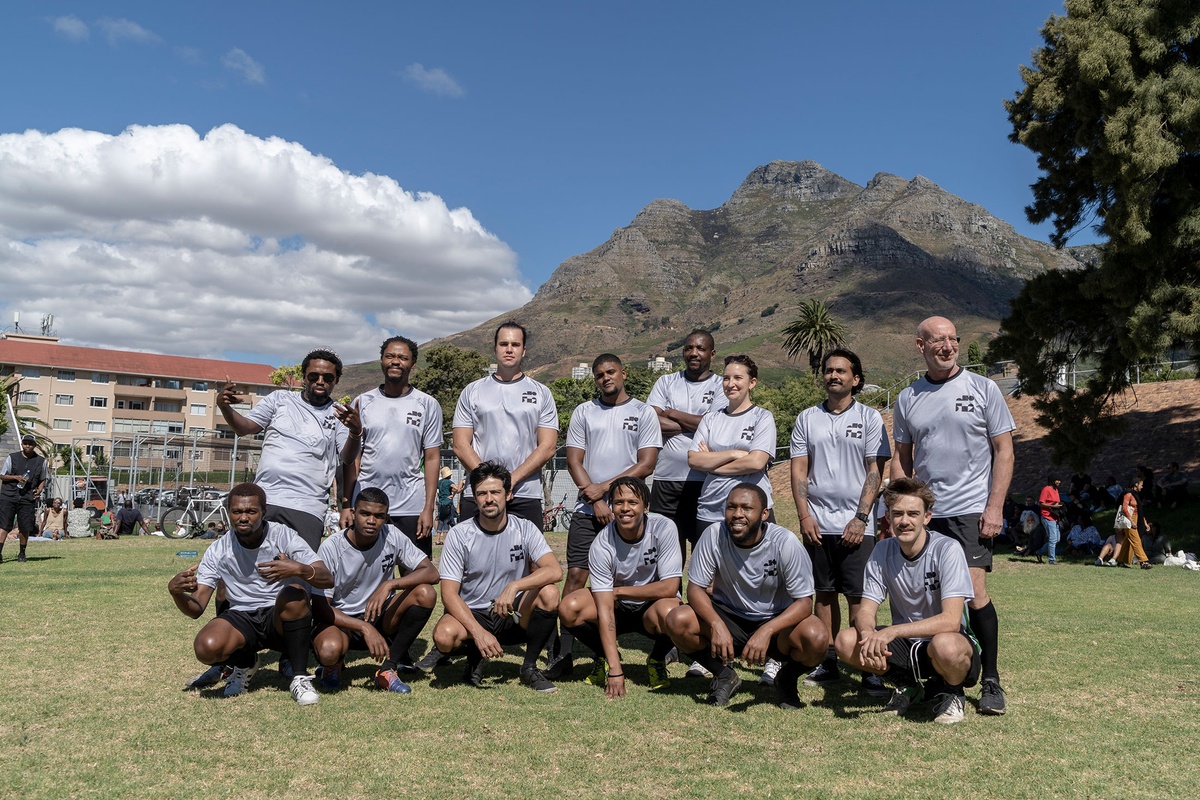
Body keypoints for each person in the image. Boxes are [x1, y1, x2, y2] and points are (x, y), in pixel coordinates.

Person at [891, 316, 1014, 716]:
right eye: (937, 340)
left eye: (952, 339)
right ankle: (935, 678)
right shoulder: (908, 397)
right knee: (928, 596)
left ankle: (991, 680)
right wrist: (897, 506)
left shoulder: (983, 388)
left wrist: (993, 506)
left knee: (974, 593)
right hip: (926, 513)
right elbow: (902, 459)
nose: (946, 346)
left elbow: (1004, 451)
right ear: (919, 345)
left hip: (968, 509)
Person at [420, 322, 557, 673]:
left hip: (524, 491)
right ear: (494, 349)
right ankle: (462, 640)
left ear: (525, 350)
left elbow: (547, 446)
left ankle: (542, 642)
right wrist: (489, 484)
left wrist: (511, 481)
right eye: (502, 344)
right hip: (482, 493)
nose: (509, 349)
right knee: (466, 568)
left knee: (531, 570)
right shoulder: (473, 391)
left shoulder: (540, 392)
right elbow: (461, 443)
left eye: (515, 344)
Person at [664, 483, 829, 709]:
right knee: (677, 619)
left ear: (764, 514)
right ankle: (724, 676)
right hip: (728, 616)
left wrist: (767, 630)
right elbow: (694, 589)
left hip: (774, 621)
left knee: (817, 637)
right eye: (731, 507)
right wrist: (717, 624)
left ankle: (787, 680)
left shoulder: (785, 542)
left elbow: (804, 603)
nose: (737, 514)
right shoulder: (713, 534)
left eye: (746, 508)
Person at [167, 483, 334, 705]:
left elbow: (327, 577)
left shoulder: (283, 535)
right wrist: (176, 593)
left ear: (263, 512)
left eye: (251, 511)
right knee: (205, 647)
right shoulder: (219, 549)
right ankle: (244, 664)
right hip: (241, 618)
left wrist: (298, 569)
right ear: (229, 513)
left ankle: (299, 677)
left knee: (295, 593)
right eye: (237, 511)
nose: (243, 518)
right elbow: (196, 608)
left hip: (278, 617)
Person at [834, 477, 981, 725]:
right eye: (898, 514)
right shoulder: (882, 550)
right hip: (906, 645)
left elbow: (951, 621)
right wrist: (869, 633)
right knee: (846, 641)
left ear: (927, 517)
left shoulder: (948, 549)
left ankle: (954, 693)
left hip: (947, 642)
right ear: (888, 518)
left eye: (913, 513)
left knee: (947, 645)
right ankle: (908, 687)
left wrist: (891, 631)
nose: (905, 521)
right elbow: (865, 609)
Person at [548, 354, 660, 678]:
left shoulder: (643, 412)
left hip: (628, 512)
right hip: (589, 510)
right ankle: (565, 655)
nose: (605, 378)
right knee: (576, 578)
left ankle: (661, 648)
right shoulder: (585, 411)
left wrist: (607, 492)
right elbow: (573, 460)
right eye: (599, 375)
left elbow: (647, 463)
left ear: (623, 373)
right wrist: (594, 497)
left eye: (611, 372)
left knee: (639, 579)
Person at [789, 348, 890, 696]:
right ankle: (828, 660)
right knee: (825, 593)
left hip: (856, 525)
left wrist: (861, 518)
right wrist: (804, 515)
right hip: (818, 523)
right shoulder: (806, 418)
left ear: (855, 379)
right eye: (829, 370)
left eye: (841, 371)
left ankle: (867, 666)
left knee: (861, 597)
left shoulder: (870, 418)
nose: (834, 375)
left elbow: (875, 471)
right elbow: (799, 469)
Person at [428, 461, 563, 693]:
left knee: (549, 592)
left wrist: (515, 586)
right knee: (443, 636)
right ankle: (474, 658)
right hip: (474, 614)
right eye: (482, 493)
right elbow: (448, 595)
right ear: (474, 496)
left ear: (508, 494)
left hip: (513, 613)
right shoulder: (460, 534)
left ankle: (529, 667)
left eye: (495, 492)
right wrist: (479, 633)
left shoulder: (525, 528)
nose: (489, 499)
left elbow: (555, 570)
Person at [557, 477, 681, 696]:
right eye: (618, 502)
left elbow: (670, 587)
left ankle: (657, 659)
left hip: (650, 606)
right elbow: (604, 608)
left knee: (673, 610)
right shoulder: (602, 543)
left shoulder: (664, 527)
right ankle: (604, 656)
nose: (625, 508)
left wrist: (620, 591)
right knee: (569, 607)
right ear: (611, 507)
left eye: (633, 502)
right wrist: (616, 671)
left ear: (646, 507)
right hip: (616, 606)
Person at [217, 348, 349, 551]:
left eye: (328, 377)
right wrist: (225, 407)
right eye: (313, 376)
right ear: (304, 377)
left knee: (299, 575)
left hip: (307, 505)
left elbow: (348, 457)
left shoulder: (339, 414)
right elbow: (244, 428)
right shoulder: (279, 399)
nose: (320, 381)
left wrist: (356, 433)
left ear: (336, 380)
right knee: (250, 570)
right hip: (267, 500)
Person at [311, 487, 439, 694]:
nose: (372, 521)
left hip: (381, 616)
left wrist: (389, 584)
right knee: (328, 650)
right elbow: (319, 608)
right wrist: (363, 627)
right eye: (365, 514)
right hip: (343, 621)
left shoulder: (392, 535)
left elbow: (432, 573)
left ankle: (388, 670)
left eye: (379, 516)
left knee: (425, 593)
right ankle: (332, 665)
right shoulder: (332, 547)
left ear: (386, 518)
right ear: (353, 514)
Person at [337, 336, 443, 558]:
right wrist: (347, 504)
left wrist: (428, 508)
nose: (396, 361)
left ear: (412, 363)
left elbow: (432, 458)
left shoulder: (428, 404)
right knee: (365, 574)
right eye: (390, 356)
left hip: (411, 505)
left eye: (403, 357)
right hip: (368, 505)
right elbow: (353, 458)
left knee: (414, 578)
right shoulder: (363, 402)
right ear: (381, 360)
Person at [646, 329, 728, 557]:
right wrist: (698, 424)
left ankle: (703, 593)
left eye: (700, 348)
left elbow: (716, 427)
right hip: (665, 480)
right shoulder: (666, 381)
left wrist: (671, 412)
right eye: (689, 348)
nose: (694, 353)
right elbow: (650, 420)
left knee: (705, 550)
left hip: (705, 480)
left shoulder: (721, 386)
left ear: (712, 354)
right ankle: (672, 594)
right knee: (667, 550)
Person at [0, 434, 48, 563]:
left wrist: (39, 490)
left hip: (27, 497)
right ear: (22, 444)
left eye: (30, 444)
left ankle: (22, 553)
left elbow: (43, 479)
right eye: (26, 443)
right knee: (4, 525)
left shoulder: (40, 461)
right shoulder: (12, 457)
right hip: (9, 495)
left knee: (25, 526)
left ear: (34, 445)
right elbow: (2, 476)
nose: (28, 446)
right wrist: (16, 477)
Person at [1115, 479, 1152, 569]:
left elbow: (1139, 512)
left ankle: (1120, 561)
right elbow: (1124, 508)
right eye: (1141, 485)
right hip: (1129, 519)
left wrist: (1145, 523)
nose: (1142, 487)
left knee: (1128, 541)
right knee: (1136, 540)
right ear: (1136, 484)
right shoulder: (1128, 494)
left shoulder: (1136, 495)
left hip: (1135, 518)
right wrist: (1131, 521)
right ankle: (1143, 561)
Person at [1034, 476, 1064, 564]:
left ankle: (1039, 552)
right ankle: (1052, 559)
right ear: (1052, 481)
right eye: (1057, 480)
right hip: (1047, 516)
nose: (1059, 482)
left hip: (1055, 517)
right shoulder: (1046, 489)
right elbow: (1041, 503)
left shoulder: (1056, 490)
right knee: (1053, 538)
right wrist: (1053, 506)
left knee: (1057, 539)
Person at [435, 466, 459, 546]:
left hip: (441, 503)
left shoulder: (439, 482)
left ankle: (438, 540)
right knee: (447, 520)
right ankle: (445, 540)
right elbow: (457, 489)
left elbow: (435, 489)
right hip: (448, 503)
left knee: (440, 521)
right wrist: (453, 495)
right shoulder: (449, 482)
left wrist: (438, 495)